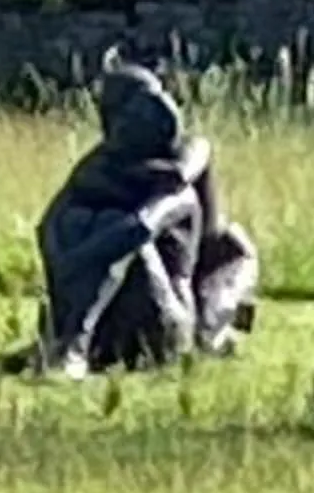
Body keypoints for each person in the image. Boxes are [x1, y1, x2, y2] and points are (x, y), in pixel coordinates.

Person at [35, 60, 261, 376]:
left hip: (169, 320)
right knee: (81, 222)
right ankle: (67, 339)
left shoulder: (179, 184)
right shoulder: (101, 166)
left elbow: (143, 224)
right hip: (127, 309)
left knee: (118, 234)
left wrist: (76, 260)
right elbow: (49, 223)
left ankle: (75, 346)